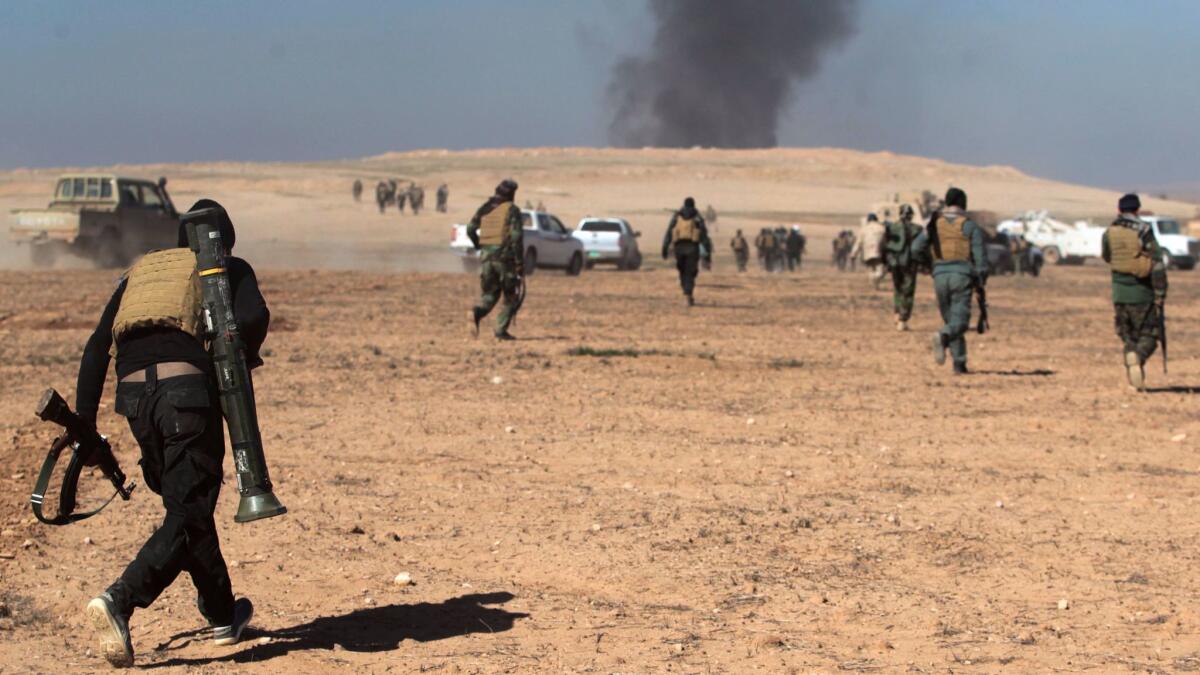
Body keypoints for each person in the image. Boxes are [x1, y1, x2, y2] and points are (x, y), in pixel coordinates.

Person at [76, 199, 266, 667]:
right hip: (186, 394)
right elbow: (253, 319)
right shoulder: (222, 266)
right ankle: (120, 601)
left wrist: (85, 426)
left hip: (135, 397)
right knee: (189, 507)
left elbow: (99, 345)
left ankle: (222, 613)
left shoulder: (142, 273)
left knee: (187, 504)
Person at [913, 187, 987, 374]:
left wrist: (929, 267)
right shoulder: (969, 226)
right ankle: (943, 337)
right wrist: (980, 281)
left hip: (939, 277)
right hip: (961, 277)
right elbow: (981, 261)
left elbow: (915, 248)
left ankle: (959, 363)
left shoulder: (934, 224)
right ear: (963, 204)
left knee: (951, 319)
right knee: (960, 322)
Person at [1102, 193, 1167, 390]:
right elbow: (1156, 262)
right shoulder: (1144, 230)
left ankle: (1135, 377)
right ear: (1137, 210)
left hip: (1119, 293)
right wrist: (1160, 293)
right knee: (1149, 335)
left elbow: (1107, 256)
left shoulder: (1110, 231)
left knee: (1128, 336)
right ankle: (1138, 357)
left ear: (1119, 210)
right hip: (1142, 292)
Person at [468, 179, 524, 340]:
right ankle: (500, 330)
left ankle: (476, 313)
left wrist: (480, 246)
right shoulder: (512, 210)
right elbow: (516, 236)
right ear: (511, 194)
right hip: (505, 259)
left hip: (486, 259)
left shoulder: (485, 208)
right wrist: (519, 262)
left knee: (490, 294)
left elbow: (471, 228)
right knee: (511, 295)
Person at [662, 197, 712, 306]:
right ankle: (688, 293)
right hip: (692, 247)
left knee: (682, 270)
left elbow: (669, 232)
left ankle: (686, 291)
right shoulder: (697, 217)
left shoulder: (677, 216)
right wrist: (708, 251)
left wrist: (665, 248)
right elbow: (704, 234)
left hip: (679, 247)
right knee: (691, 271)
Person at [885, 204, 922, 331]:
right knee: (908, 291)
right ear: (911, 215)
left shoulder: (891, 227)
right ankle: (903, 319)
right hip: (910, 264)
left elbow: (886, 245)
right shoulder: (917, 229)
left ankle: (897, 313)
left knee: (898, 289)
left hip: (895, 263)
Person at [852, 214, 888, 289]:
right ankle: (875, 282)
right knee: (880, 270)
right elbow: (885, 242)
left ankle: (875, 286)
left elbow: (858, 243)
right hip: (878, 252)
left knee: (871, 269)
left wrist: (853, 254)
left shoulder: (863, 229)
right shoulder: (882, 228)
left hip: (867, 254)